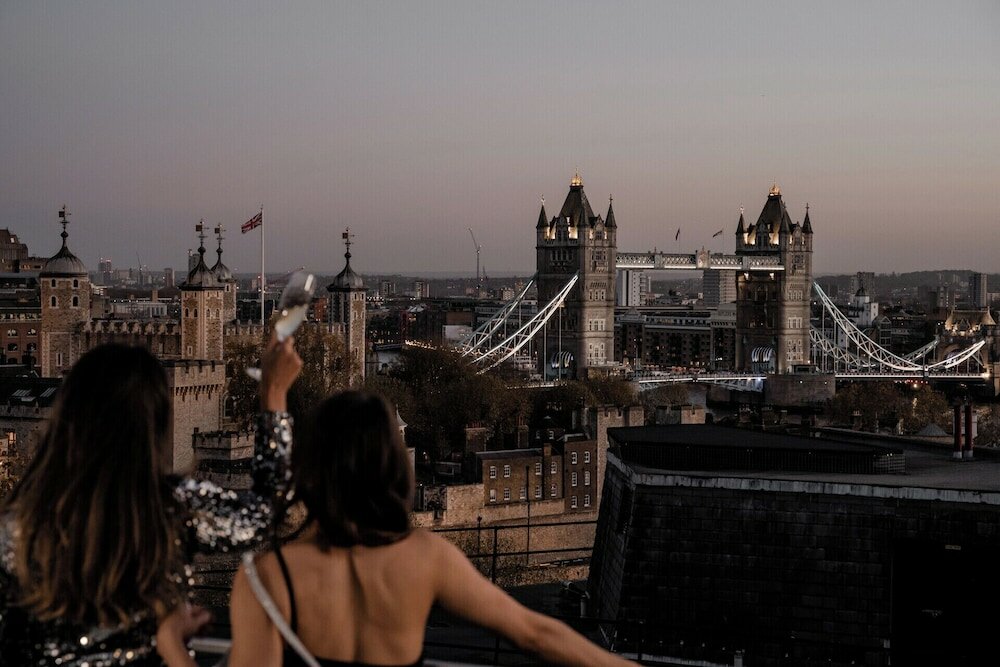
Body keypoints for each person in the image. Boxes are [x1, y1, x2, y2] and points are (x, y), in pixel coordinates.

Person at [228, 391, 634, 667]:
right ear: (393, 464)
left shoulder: (269, 576)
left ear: (311, 465)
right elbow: (535, 633)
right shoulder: (424, 557)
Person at [0, 339, 302, 666]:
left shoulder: (18, 523)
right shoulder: (171, 507)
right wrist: (273, 396)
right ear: (152, 426)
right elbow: (266, 513)